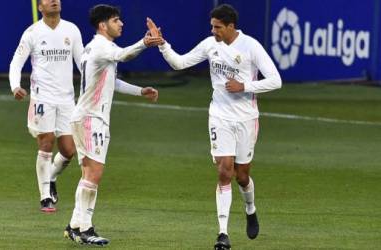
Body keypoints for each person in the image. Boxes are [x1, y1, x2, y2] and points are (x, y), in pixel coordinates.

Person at [150, 4, 282, 249]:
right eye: (212, 26)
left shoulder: (251, 46)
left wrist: (245, 87)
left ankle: (250, 208)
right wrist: (162, 44)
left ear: (231, 26)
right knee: (224, 171)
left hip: (246, 118)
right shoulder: (211, 45)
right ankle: (222, 234)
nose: (213, 31)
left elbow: (276, 80)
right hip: (219, 116)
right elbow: (179, 63)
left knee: (242, 177)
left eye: (218, 27)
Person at [62, 4, 162, 246]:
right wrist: (145, 42)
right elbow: (125, 55)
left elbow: (112, 81)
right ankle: (86, 229)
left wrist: (140, 91)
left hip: (87, 117)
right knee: (94, 173)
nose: (121, 24)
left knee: (88, 173)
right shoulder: (101, 47)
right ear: (102, 25)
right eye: (116, 20)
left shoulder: (95, 48)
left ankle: (74, 226)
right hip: (90, 118)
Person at [9, 0, 83, 212]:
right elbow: (16, 62)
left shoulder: (72, 30)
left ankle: (50, 177)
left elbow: (82, 62)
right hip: (42, 98)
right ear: (40, 7)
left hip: (67, 99)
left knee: (69, 150)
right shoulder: (32, 32)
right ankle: (45, 197)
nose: (54, 1)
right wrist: (16, 86)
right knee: (46, 142)